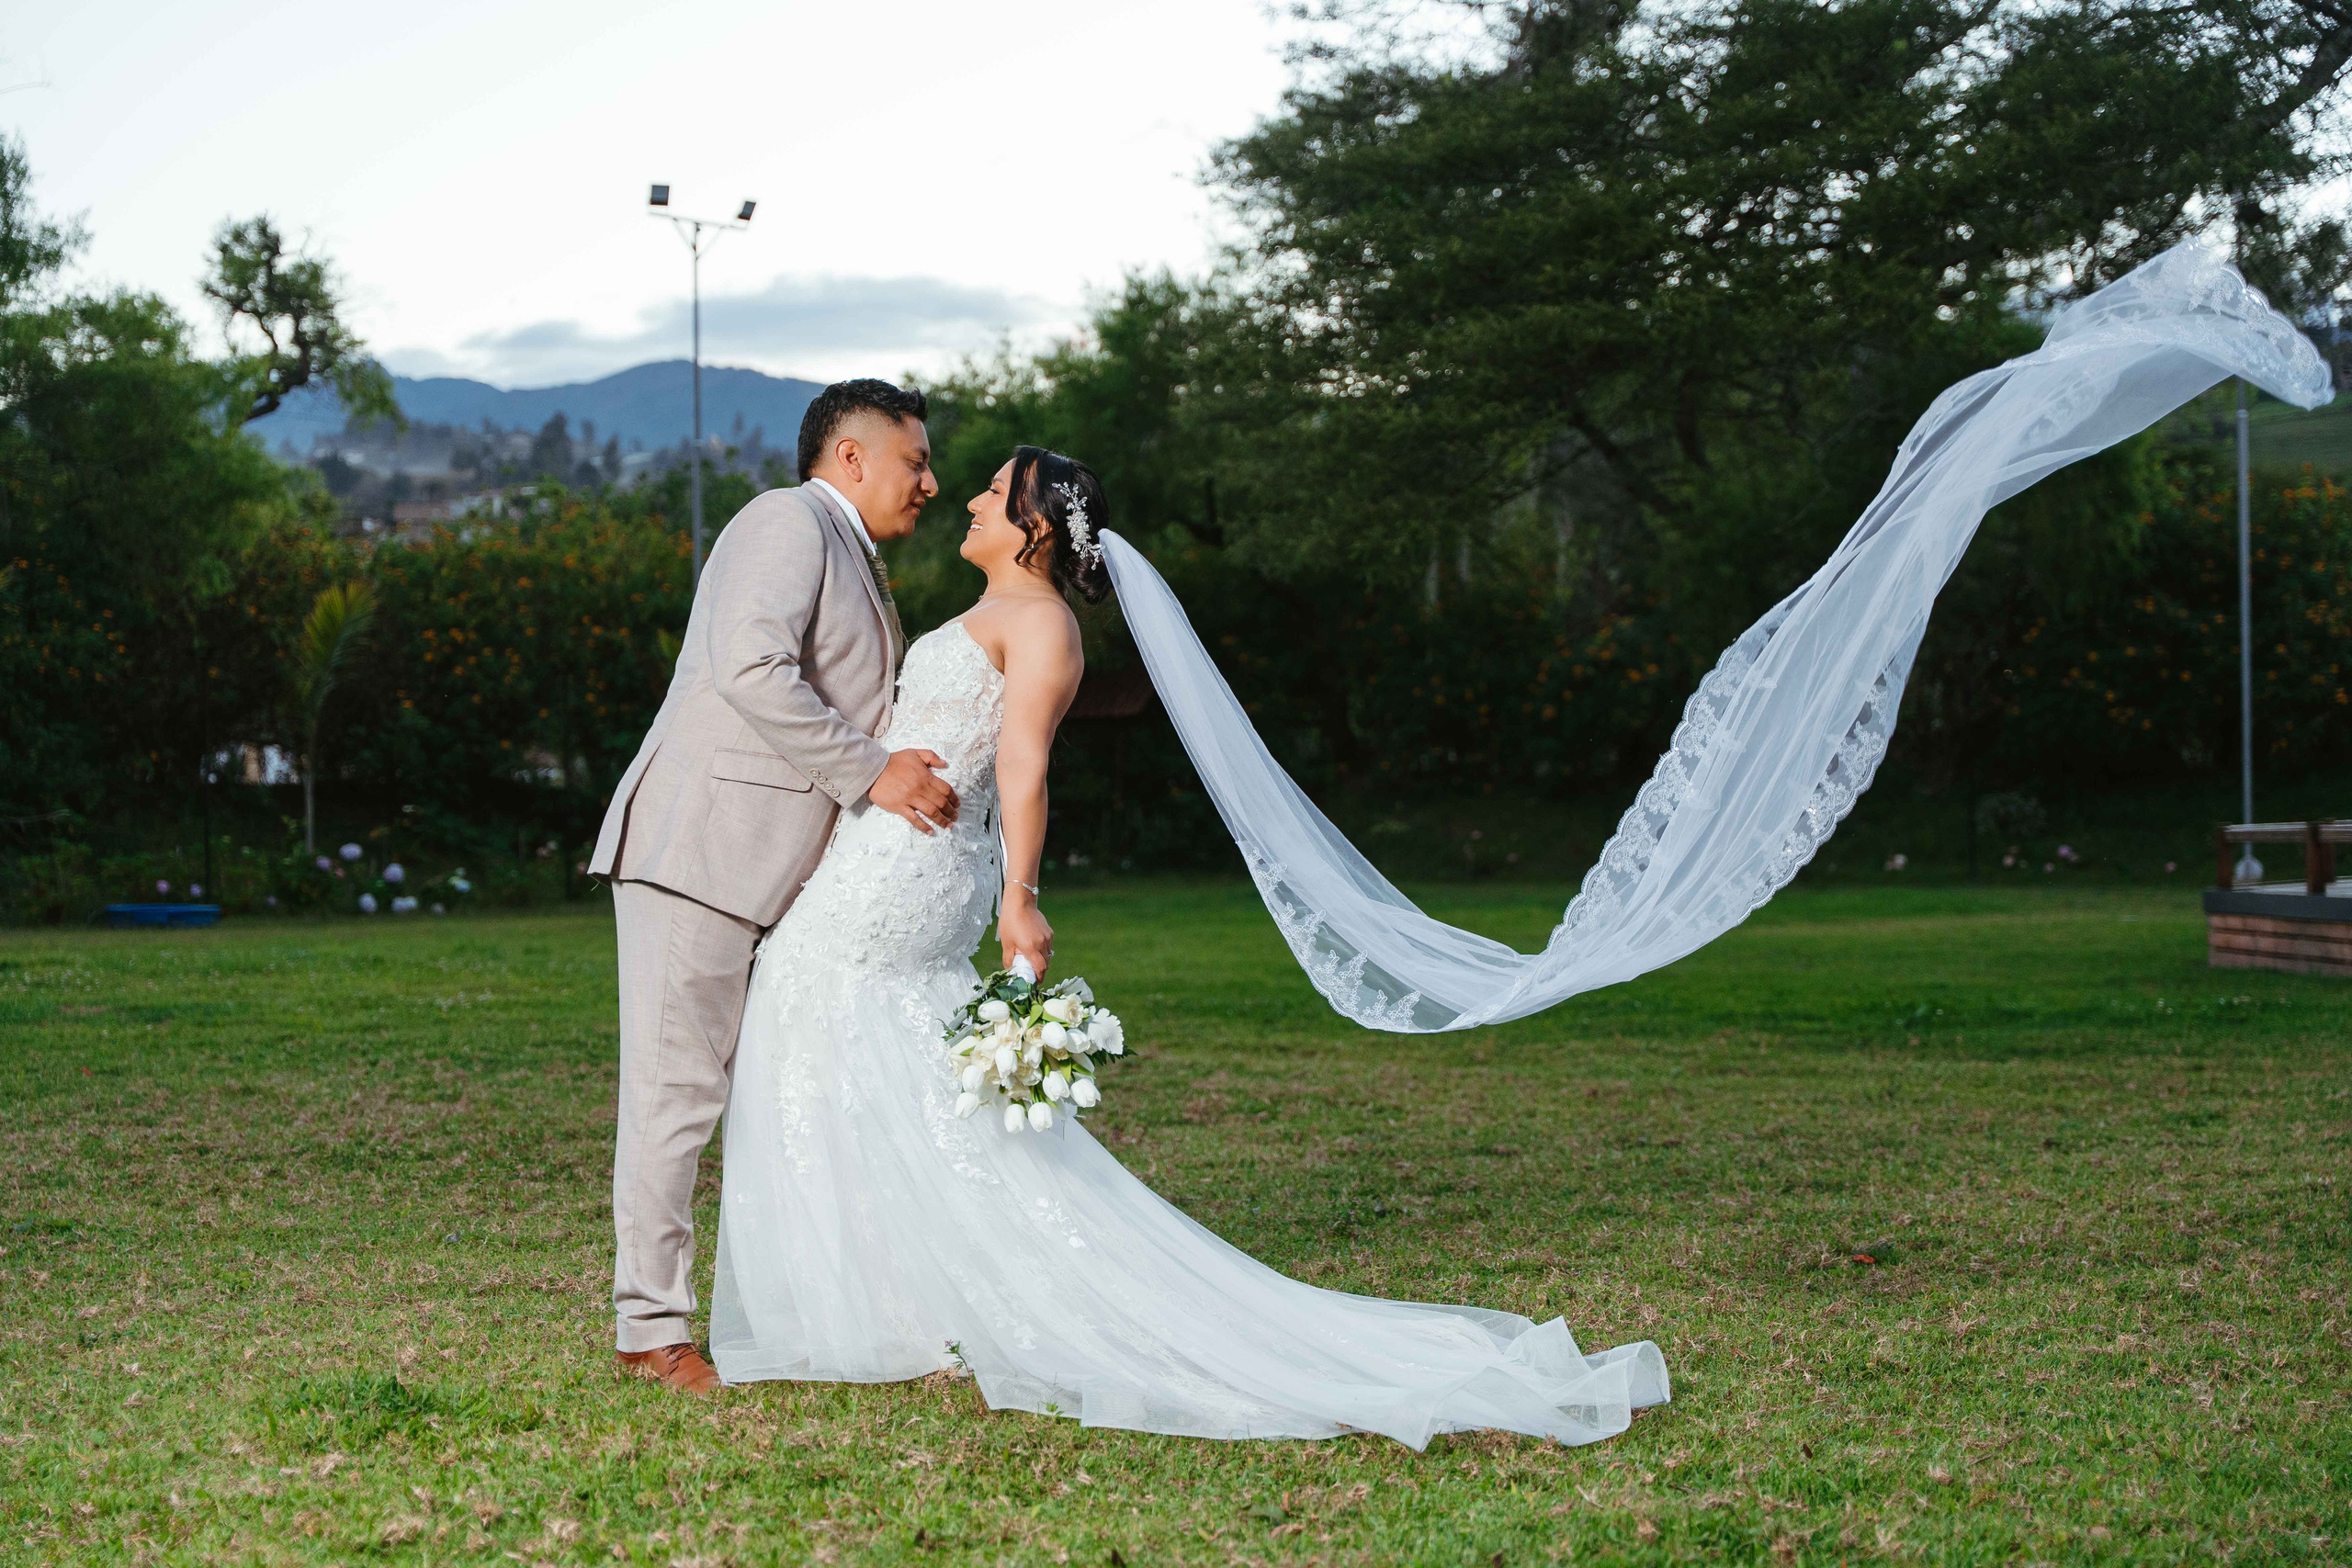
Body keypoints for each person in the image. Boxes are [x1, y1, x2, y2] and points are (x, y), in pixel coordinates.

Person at [708, 446, 1668, 1448]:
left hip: (913, 868)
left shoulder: (1042, 626)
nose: (973, 500)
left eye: (994, 492)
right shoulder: (996, 614)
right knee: (861, 1040)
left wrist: (1021, 900)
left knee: (818, 1001)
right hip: (893, 848)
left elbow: (1027, 768)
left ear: (1035, 526)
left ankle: (881, 1304)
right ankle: (883, 1298)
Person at [587, 379, 962, 1393]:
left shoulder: (852, 553)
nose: (930, 482)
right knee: (674, 1098)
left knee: (756, 1092)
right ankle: (648, 1333)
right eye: (913, 460)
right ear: (849, 456)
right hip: (701, 850)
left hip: (772, 874)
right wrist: (872, 770)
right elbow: (751, 670)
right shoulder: (784, 519)